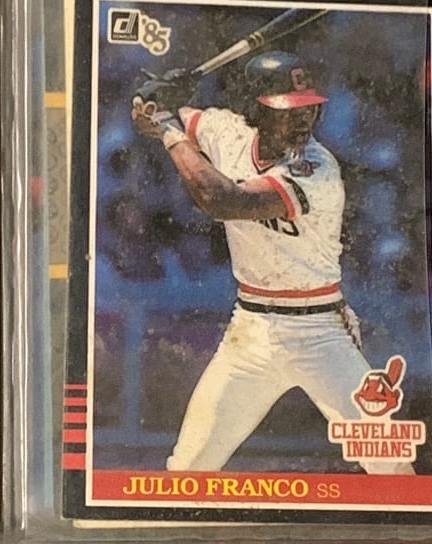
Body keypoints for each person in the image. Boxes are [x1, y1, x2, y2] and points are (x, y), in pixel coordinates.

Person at [131, 51, 416, 475]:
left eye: (308, 109)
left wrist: (166, 126)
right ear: (255, 111)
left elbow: (222, 200)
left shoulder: (316, 168)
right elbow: (165, 115)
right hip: (253, 332)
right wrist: (157, 101)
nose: (303, 121)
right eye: (288, 111)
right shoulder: (226, 131)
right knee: (188, 468)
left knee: (390, 467)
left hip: (320, 332)